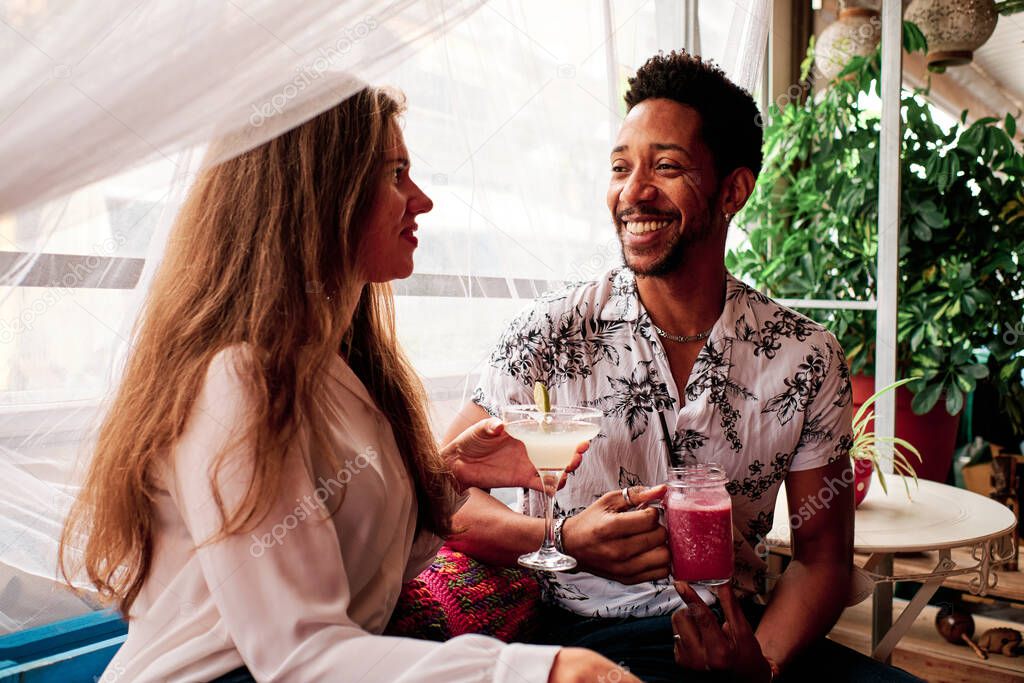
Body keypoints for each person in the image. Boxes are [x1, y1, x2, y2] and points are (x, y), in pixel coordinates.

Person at [59, 85, 640, 683]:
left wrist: (449, 476)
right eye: (396, 175)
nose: (423, 201)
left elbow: (371, 572)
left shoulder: (340, 365)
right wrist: (546, 671)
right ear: (319, 194)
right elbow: (300, 654)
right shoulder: (237, 381)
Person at [444, 52, 922, 682]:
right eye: (620, 168)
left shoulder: (805, 356)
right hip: (586, 644)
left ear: (733, 190)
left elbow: (823, 561)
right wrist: (558, 539)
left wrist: (762, 665)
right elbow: (441, 494)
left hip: (742, 639)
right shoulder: (550, 332)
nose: (633, 192)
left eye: (665, 166)